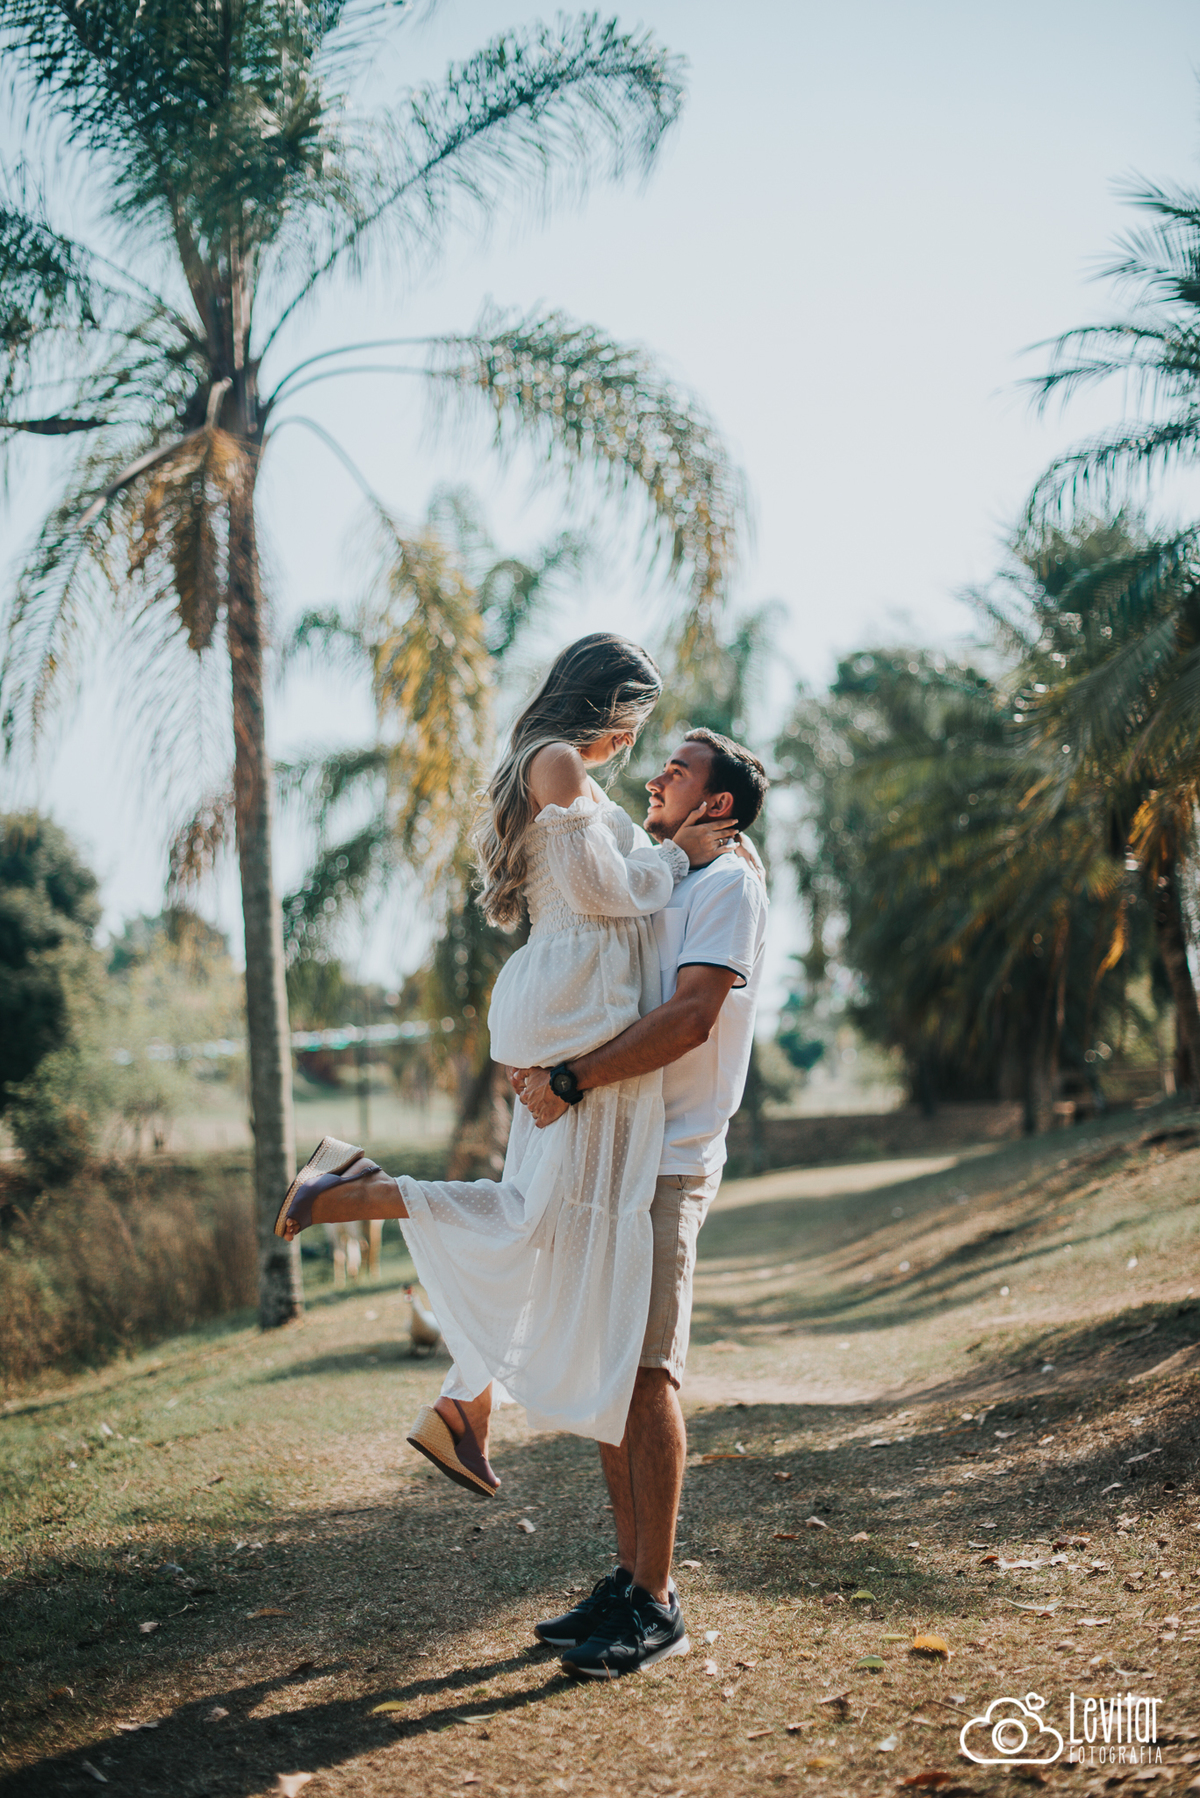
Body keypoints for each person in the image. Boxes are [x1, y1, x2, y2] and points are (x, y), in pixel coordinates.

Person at [274, 634, 737, 1497]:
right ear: (611, 704)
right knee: (537, 1219)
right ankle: (354, 1192)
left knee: (541, 1223)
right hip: (575, 1009)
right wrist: (683, 856)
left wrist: (689, 855)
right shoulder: (557, 761)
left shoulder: (556, 765)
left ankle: (464, 1404)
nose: (634, 744)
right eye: (635, 721)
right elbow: (606, 890)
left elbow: (609, 880)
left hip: (569, 1005)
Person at [512, 727, 769, 1679]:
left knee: (650, 1372)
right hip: (612, 1155)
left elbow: (691, 1015)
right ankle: (628, 1578)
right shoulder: (666, 871)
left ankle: (658, 1605)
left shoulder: (730, 884)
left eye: (680, 770)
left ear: (720, 807)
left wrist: (573, 1077)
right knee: (614, 1366)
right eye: (660, 762)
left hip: (669, 1158)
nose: (656, 776)